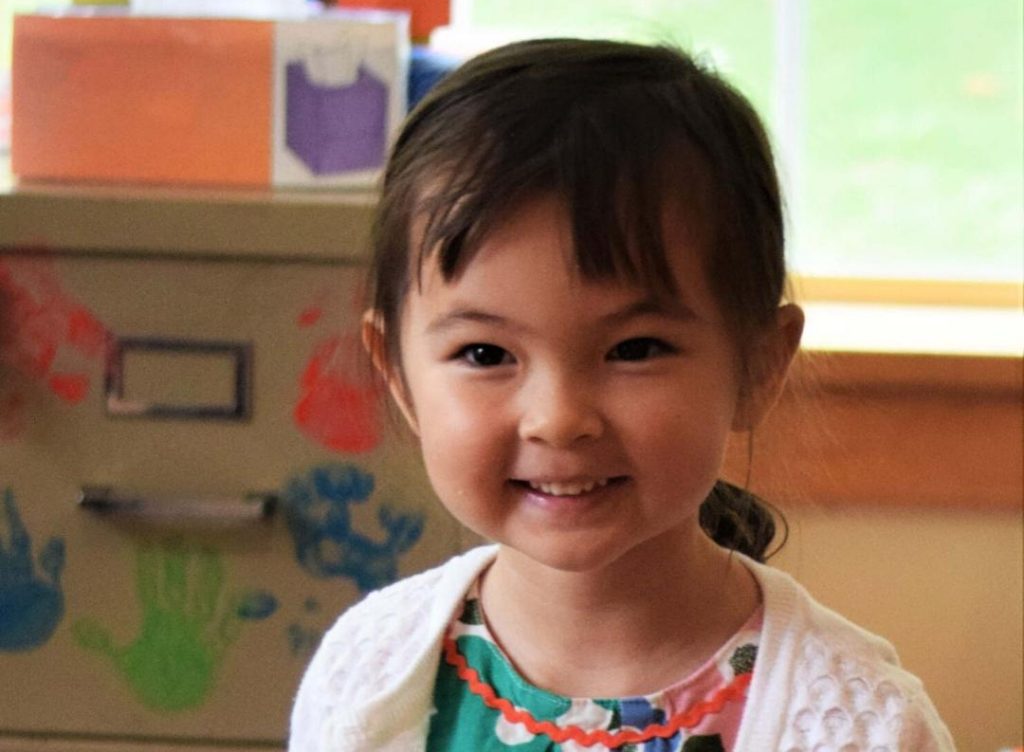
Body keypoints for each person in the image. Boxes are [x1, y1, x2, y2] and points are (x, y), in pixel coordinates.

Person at [288, 38, 954, 752]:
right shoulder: (365, 671)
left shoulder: (862, 726)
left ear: (759, 364)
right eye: (485, 354)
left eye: (634, 349)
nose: (559, 419)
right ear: (399, 377)